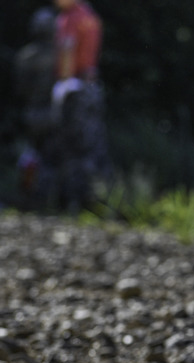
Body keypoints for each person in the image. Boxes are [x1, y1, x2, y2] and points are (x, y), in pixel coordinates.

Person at [50, 0, 110, 212]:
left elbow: (67, 47)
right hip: (91, 86)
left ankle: (72, 202)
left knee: (71, 147)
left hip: (74, 88)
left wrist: (63, 81)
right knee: (92, 146)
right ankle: (95, 200)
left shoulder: (70, 17)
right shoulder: (91, 16)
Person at [13, 8, 58, 209]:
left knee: (31, 155)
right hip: (54, 113)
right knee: (51, 155)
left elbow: (20, 89)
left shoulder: (25, 56)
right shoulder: (60, 55)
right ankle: (49, 199)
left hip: (31, 113)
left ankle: (28, 196)